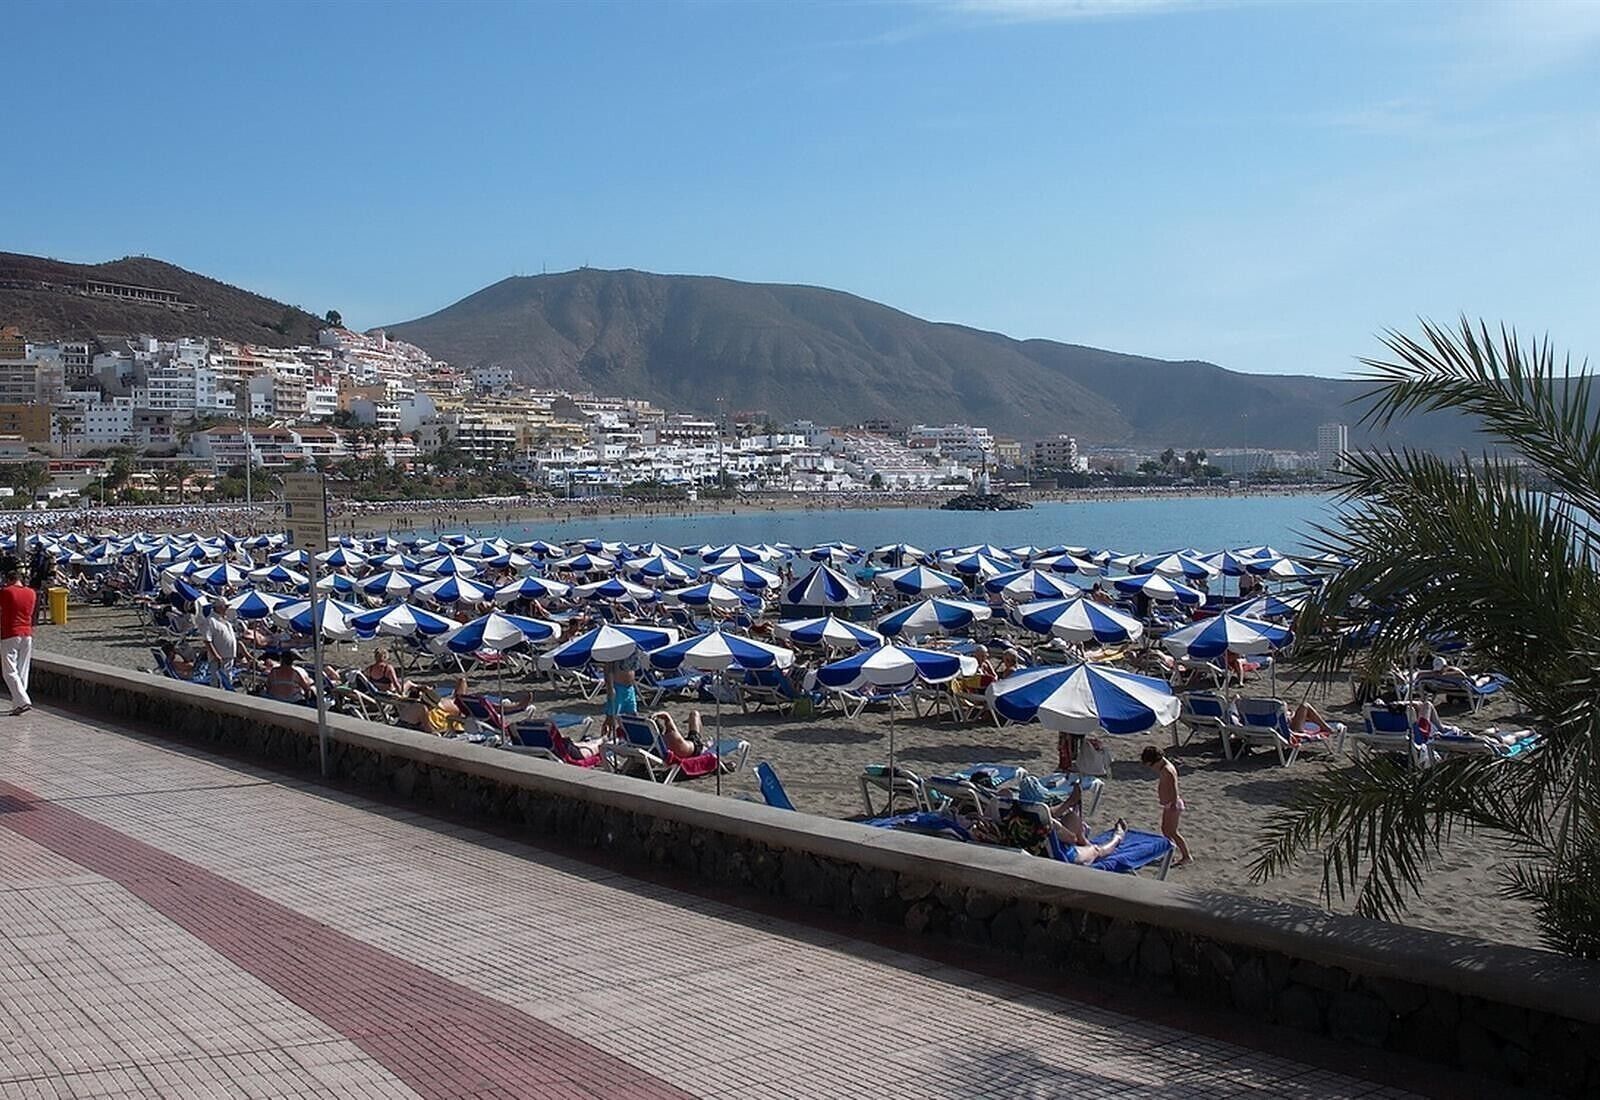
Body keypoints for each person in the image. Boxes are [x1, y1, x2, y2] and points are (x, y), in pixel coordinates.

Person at [1140, 746, 1193, 866]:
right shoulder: (1164, 766)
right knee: (1165, 830)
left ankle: (1186, 856)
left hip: (1173, 804)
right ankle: (1170, 853)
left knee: (1173, 832)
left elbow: (1174, 788)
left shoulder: (1167, 770)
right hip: (1169, 804)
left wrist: (1173, 803)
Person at [0, 562, 37, 715]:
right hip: (27, 633)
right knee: (22, 669)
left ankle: (23, 701)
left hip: (10, 632)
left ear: (8, 580)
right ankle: (18, 703)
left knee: (9, 671)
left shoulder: (6, 592)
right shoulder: (31, 592)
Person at [201, 598, 237, 691]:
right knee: (218, 683)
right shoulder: (210, 621)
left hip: (228, 656)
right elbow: (207, 640)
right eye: (225, 606)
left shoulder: (225, 620)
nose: (227, 608)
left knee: (228, 681)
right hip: (219, 659)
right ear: (219, 607)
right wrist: (216, 656)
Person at [603, 658, 639, 735]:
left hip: (629, 688)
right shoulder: (615, 651)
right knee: (611, 718)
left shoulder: (631, 650)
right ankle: (604, 738)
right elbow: (607, 669)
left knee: (634, 715)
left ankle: (633, 738)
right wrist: (610, 687)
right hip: (617, 687)